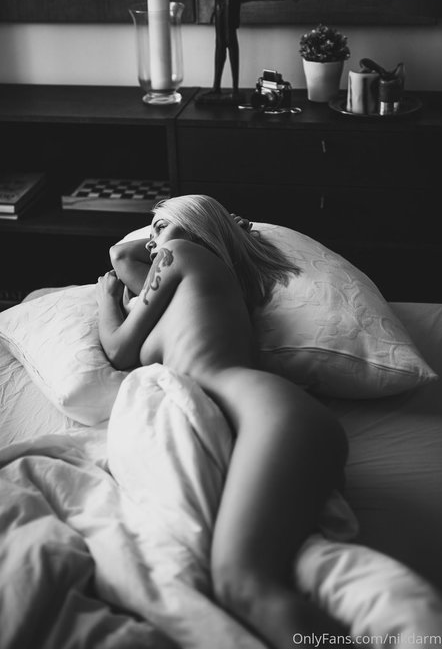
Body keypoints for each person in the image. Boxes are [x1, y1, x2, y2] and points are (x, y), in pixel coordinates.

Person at [97, 195, 349, 647]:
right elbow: (130, 265)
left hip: (269, 415)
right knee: (245, 584)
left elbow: (118, 344)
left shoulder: (185, 254)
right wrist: (168, 233)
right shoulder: (192, 292)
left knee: (243, 587)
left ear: (193, 227)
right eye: (150, 233)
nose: (151, 244)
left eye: (159, 227)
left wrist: (106, 299)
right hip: (255, 421)